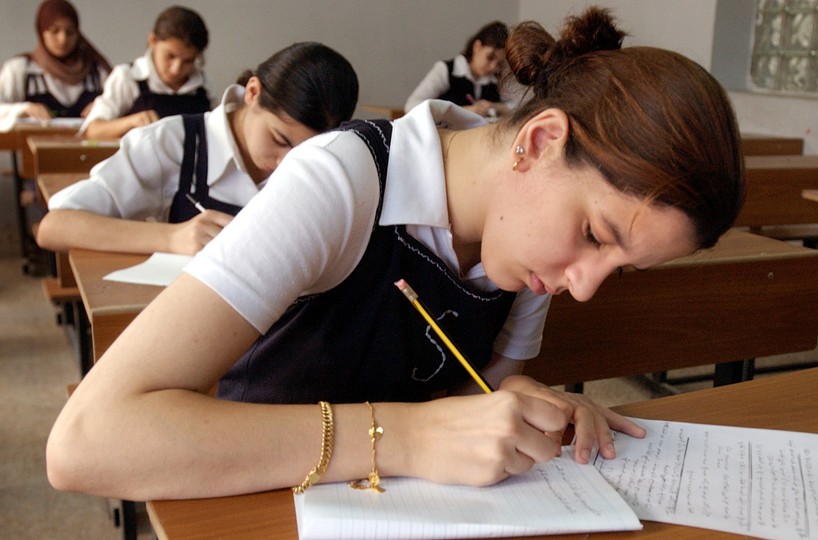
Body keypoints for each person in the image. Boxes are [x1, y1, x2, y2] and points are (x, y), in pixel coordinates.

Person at [47, 6, 744, 501]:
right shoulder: (342, 181)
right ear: (538, 142)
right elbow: (87, 442)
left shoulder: (527, 243)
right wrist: (403, 437)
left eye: (619, 269)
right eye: (595, 236)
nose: (584, 287)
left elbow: (466, 393)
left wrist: (515, 402)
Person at [35, 42, 358, 256]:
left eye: (305, 151)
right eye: (280, 140)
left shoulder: (327, 162)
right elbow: (55, 227)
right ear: (253, 92)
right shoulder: (172, 143)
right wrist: (171, 238)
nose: (287, 163)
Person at [80, 5, 211, 140]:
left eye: (188, 61)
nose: (176, 69)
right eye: (170, 56)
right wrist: (131, 122)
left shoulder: (202, 85)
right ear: (152, 41)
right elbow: (91, 130)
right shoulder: (128, 77)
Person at [0, 0, 111, 130]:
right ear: (42, 32)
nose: (63, 39)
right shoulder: (22, 70)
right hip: (32, 148)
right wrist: (24, 109)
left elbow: (125, 109)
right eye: (54, 31)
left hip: (88, 148)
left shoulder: (96, 71)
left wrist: (105, 107)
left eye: (70, 32)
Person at [404, 21, 511, 117]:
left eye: (499, 63)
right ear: (477, 46)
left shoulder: (496, 79)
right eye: (490, 57)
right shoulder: (447, 70)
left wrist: (495, 106)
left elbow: (519, 108)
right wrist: (461, 111)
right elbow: (412, 105)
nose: (493, 66)